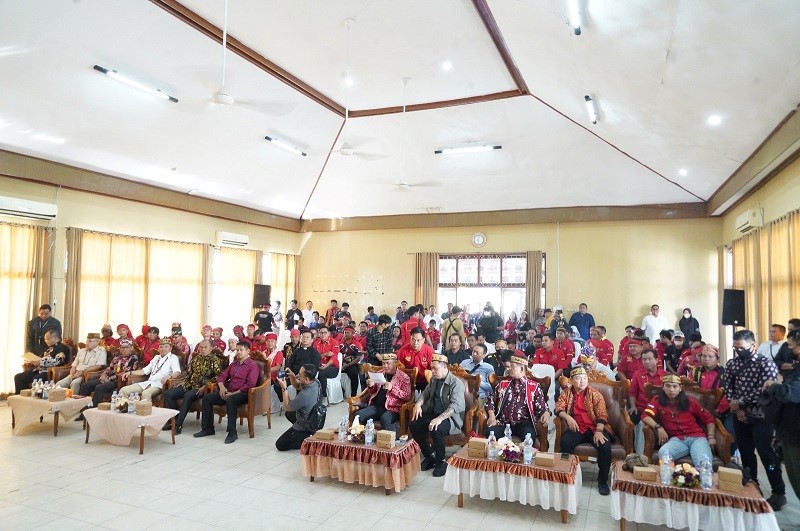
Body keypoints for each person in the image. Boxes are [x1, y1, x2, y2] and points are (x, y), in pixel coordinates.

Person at [726, 329, 786, 511]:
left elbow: (765, 391)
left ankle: (778, 492)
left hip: (762, 415)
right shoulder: (732, 363)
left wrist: (740, 403)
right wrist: (736, 408)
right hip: (740, 415)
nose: (738, 351)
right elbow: (728, 386)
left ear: (752, 345)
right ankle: (753, 487)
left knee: (766, 453)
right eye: (735, 348)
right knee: (745, 452)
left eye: (741, 348)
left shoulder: (765, 363)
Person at [556, 367, 614, 495]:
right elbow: (558, 408)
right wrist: (568, 417)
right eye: (578, 378)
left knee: (605, 446)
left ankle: (602, 480)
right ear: (571, 380)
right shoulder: (566, 393)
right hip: (577, 428)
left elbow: (602, 415)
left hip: (594, 428)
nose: (582, 381)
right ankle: (569, 474)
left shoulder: (595, 394)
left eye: (585, 378)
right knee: (565, 442)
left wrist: (599, 431)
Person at [410, 354, 466, 477]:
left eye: (435, 368)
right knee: (414, 424)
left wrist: (439, 418)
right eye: (432, 368)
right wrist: (418, 404)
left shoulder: (456, 383)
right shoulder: (434, 380)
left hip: (450, 418)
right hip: (433, 413)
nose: (432, 371)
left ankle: (441, 461)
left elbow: (455, 406)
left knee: (436, 428)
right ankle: (430, 457)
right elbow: (425, 393)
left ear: (445, 368)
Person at [642, 374, 715, 468]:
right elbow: (645, 416)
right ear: (663, 387)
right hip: (677, 440)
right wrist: (658, 427)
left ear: (680, 388)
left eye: (674, 386)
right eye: (668, 386)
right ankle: (671, 478)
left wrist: (711, 436)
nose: (671, 389)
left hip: (697, 438)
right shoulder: (657, 400)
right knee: (664, 453)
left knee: (704, 464)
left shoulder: (691, 402)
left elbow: (709, 419)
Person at [194, 340, 260, 444]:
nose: (238, 352)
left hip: (243, 394)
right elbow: (222, 376)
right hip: (228, 392)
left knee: (231, 400)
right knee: (207, 398)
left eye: (241, 350)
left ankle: (232, 432)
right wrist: (221, 387)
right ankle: (208, 429)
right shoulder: (234, 364)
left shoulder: (252, 365)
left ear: (248, 351)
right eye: (237, 350)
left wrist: (233, 393)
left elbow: (250, 384)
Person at [763, 330, 800, 501]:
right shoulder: (796, 367)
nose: (789, 350)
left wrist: (772, 386)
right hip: (788, 430)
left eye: (791, 346)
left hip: (796, 435)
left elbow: (789, 393)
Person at [485, 352, 550, 444]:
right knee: (490, 433)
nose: (509, 369)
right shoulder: (502, 384)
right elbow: (490, 401)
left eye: (512, 366)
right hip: (503, 422)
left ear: (522, 368)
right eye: (509, 366)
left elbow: (542, 406)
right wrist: (492, 416)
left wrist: (546, 413)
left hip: (523, 423)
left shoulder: (534, 386)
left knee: (529, 436)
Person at [162, 339, 222, 434]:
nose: (203, 349)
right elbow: (190, 373)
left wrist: (206, 386)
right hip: (189, 384)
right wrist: (184, 381)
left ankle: (178, 424)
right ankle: (173, 420)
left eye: (205, 347)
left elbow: (218, 376)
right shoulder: (196, 358)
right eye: (201, 347)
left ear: (211, 348)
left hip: (201, 388)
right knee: (168, 394)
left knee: (188, 395)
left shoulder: (215, 360)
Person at [356, 353, 411, 436]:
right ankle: (362, 438)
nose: (385, 366)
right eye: (383, 363)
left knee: (385, 419)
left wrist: (392, 388)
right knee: (359, 415)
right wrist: (371, 386)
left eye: (388, 363)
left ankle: (394, 440)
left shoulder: (403, 377)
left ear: (395, 363)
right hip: (376, 406)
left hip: (392, 408)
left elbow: (407, 396)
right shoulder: (380, 373)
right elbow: (373, 392)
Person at [627, 349, 667, 454]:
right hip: (641, 408)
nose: (647, 362)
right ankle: (639, 453)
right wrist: (633, 405)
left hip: (660, 410)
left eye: (649, 359)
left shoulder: (665, 376)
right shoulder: (637, 374)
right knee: (639, 421)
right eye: (644, 359)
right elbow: (632, 393)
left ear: (657, 360)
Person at [80, 338, 139, 409]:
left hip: (117, 381)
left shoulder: (133, 358)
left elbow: (125, 372)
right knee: (85, 385)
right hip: (107, 378)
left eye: (127, 347)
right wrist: (104, 374)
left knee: (99, 387)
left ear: (131, 348)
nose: (125, 349)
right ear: (120, 349)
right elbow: (109, 368)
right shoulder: (117, 357)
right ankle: (82, 407)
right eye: (122, 347)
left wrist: (109, 378)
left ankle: (92, 409)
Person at [276, 364, 321, 450]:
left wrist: (284, 388)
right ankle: (305, 434)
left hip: (305, 424)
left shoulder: (304, 395)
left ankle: (306, 440)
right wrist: (292, 376)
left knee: (280, 445)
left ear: (306, 379)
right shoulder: (316, 382)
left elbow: (287, 407)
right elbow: (297, 386)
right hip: (314, 418)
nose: (298, 375)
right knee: (289, 414)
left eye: (300, 375)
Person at [460, 344, 494, 409]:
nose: (474, 354)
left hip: (478, 396)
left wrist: (478, 381)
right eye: (473, 351)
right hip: (462, 393)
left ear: (484, 355)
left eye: (477, 353)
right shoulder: (464, 363)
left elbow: (491, 389)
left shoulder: (488, 368)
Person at [313, 326, 340, 405]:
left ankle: (323, 396)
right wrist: (325, 354)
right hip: (319, 365)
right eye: (321, 333)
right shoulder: (316, 343)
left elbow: (334, 357)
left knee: (322, 374)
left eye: (325, 333)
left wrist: (326, 365)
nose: (323, 335)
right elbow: (315, 357)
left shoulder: (334, 342)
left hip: (333, 367)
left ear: (329, 333)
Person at [340, 325, 363, 398]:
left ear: (353, 334)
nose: (346, 334)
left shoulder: (356, 344)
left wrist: (347, 365)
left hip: (351, 364)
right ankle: (341, 393)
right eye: (345, 332)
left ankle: (354, 394)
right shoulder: (340, 343)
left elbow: (358, 358)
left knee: (354, 374)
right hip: (340, 364)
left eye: (348, 332)